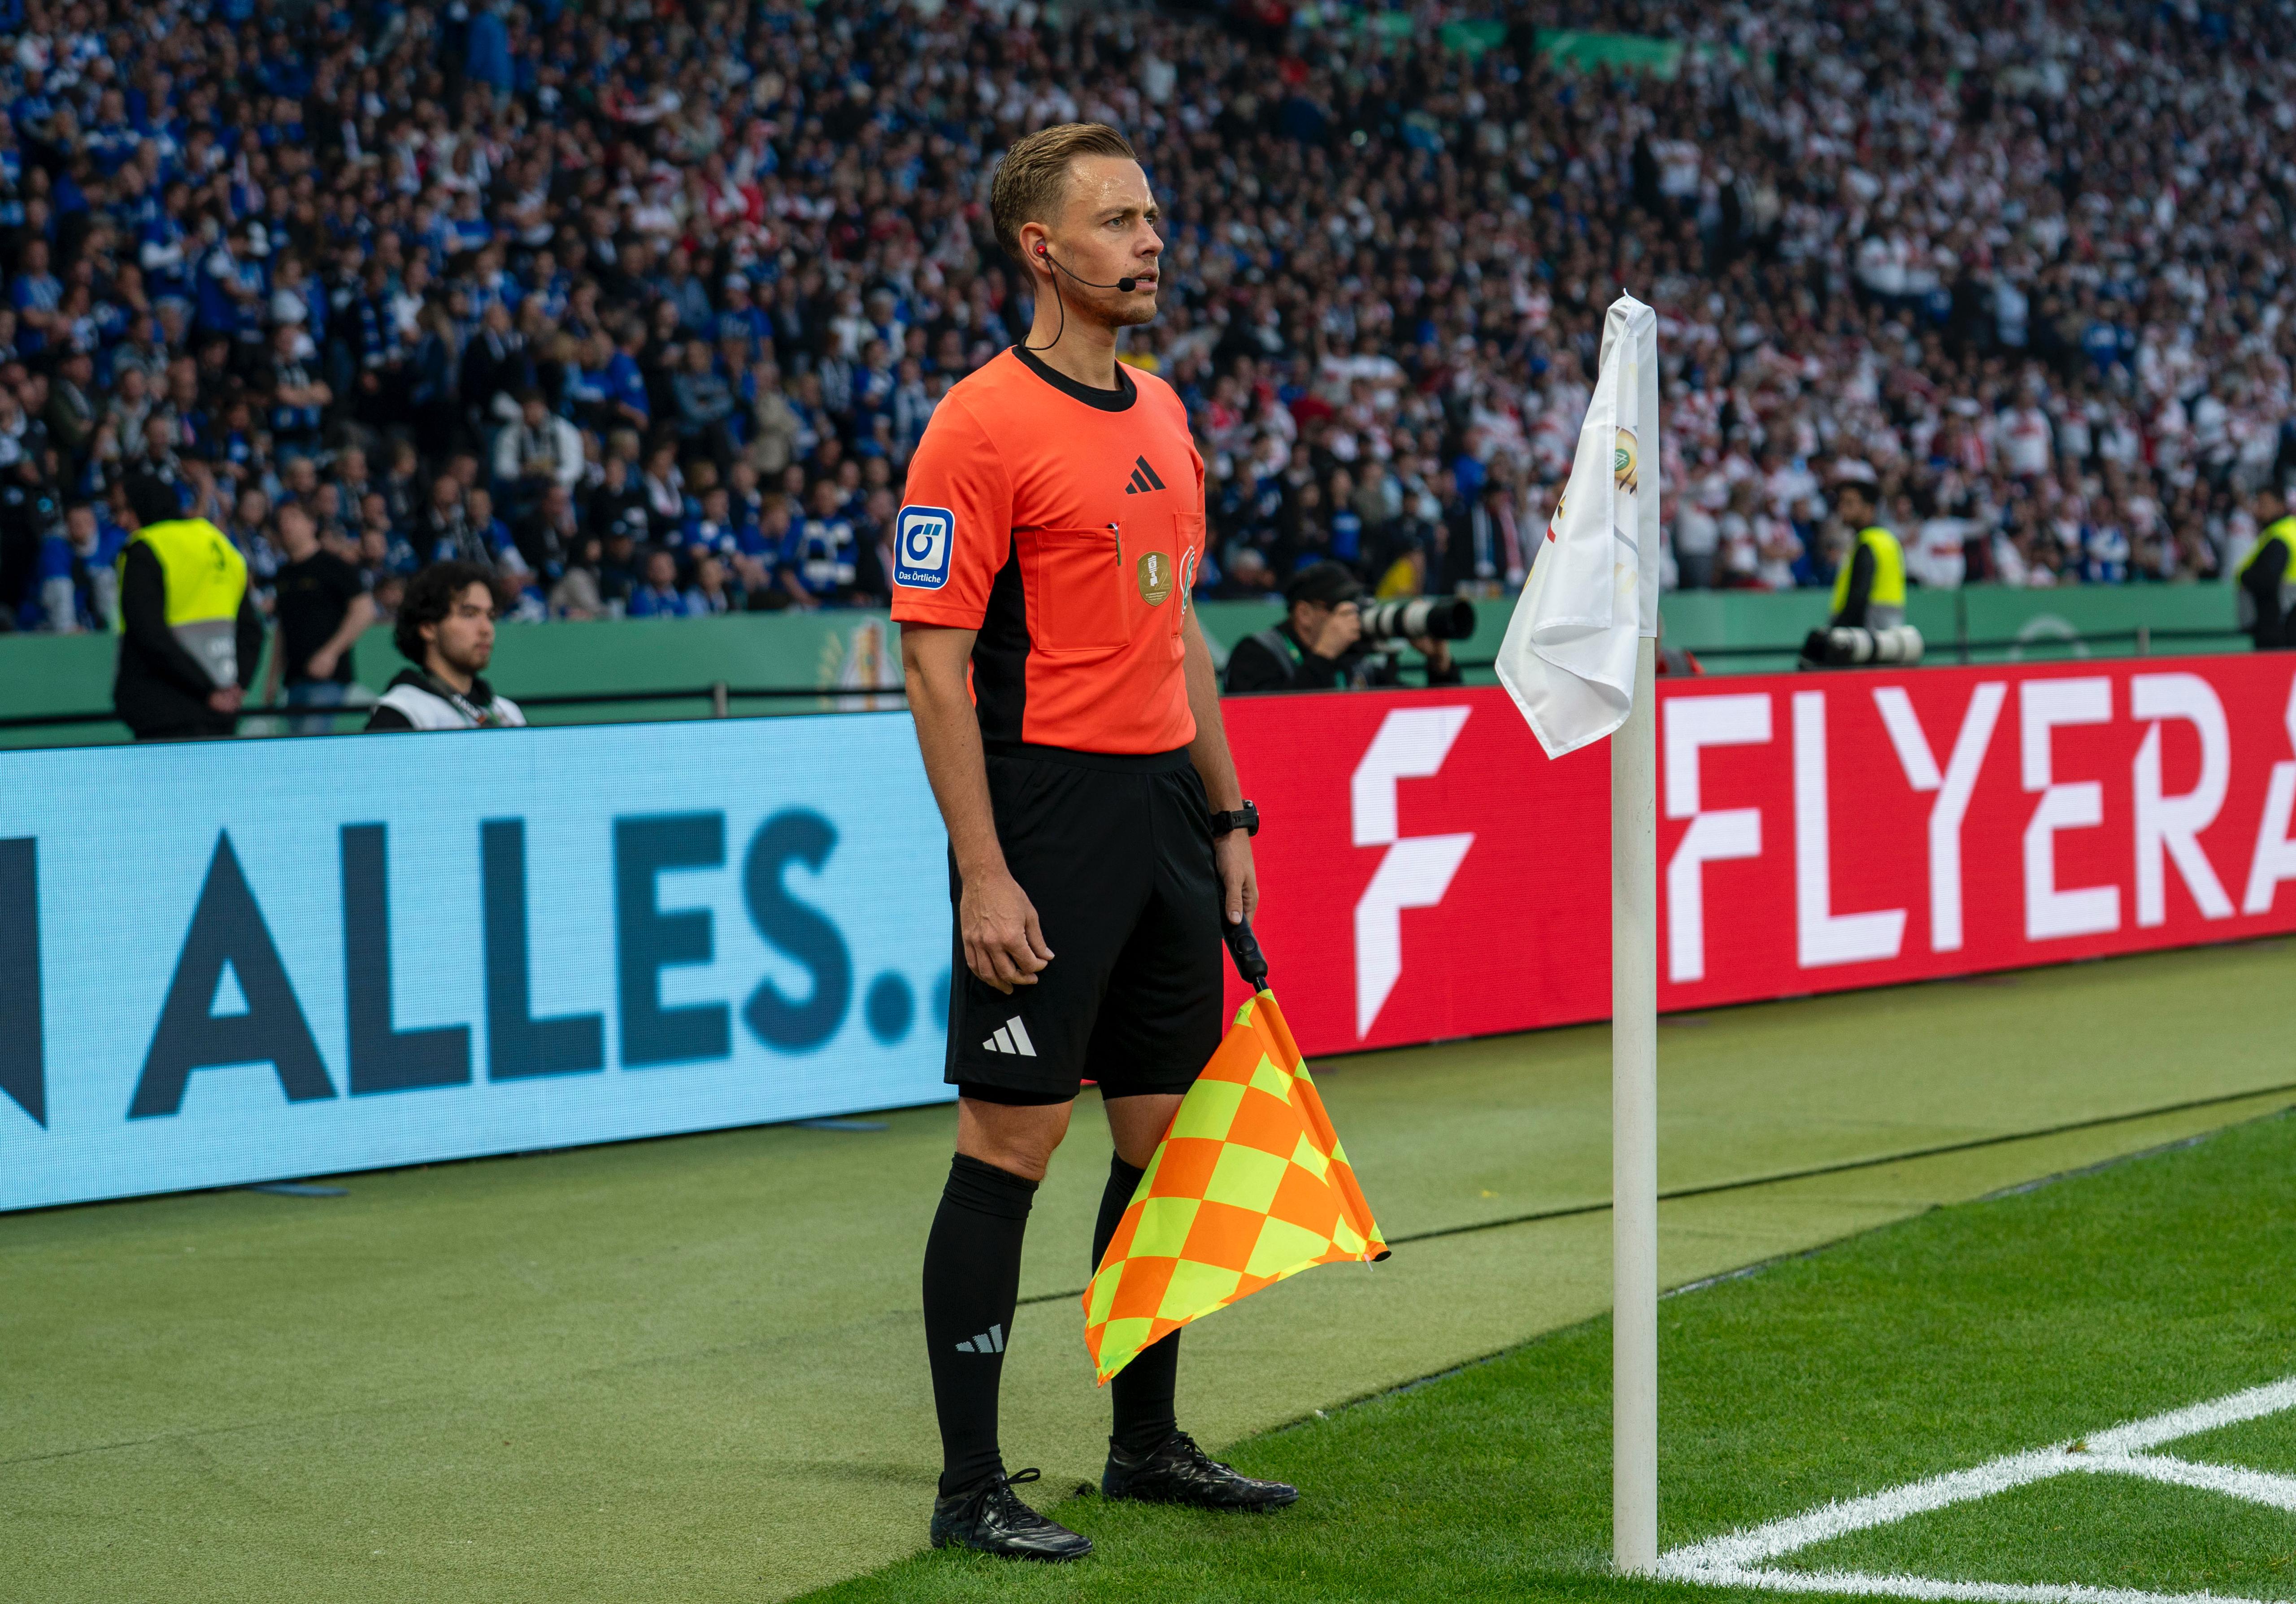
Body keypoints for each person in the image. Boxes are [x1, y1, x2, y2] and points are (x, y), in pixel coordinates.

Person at [892, 121, 1292, 1567]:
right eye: (1118, 220)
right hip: (1044, 817)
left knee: (1162, 1139)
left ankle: (1145, 1444)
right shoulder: (976, 424)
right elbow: (933, 667)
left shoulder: (1165, 410)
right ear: (1041, 249)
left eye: (1152, 215)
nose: (1151, 240)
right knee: (1012, 1139)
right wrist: (983, 870)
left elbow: (1177, 628)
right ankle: (969, 1488)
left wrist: (1225, 812)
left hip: (1163, 816)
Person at [111, 473, 264, 741]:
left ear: (143, 506)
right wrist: (235, 689)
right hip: (221, 709)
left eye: (125, 511)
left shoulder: (145, 547)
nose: (120, 521)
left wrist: (207, 692)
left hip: (163, 708)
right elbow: (252, 630)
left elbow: (149, 635)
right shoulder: (218, 542)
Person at [1222, 560, 1463, 693]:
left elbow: (1420, 720)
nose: (1355, 617)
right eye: (1343, 608)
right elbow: (1267, 725)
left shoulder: (1354, 662)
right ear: (1304, 614)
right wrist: (1324, 655)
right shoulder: (1257, 653)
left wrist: (1440, 664)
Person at [362, 562, 525, 731]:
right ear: (428, 628)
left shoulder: (509, 713)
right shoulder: (401, 711)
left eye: (490, 616)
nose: (487, 629)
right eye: (469, 615)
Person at [265, 503, 376, 734]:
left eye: (293, 518)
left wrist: (330, 653)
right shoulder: (283, 574)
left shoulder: (334, 566)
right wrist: (272, 680)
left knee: (312, 745)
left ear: (311, 525)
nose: (286, 525)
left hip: (326, 681)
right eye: (281, 521)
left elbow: (365, 610)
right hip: (293, 680)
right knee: (297, 745)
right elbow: (282, 629)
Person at [2237, 487, 2294, 650]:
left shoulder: (2279, 537)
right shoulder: (2290, 530)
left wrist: (2246, 576)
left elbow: (2267, 579)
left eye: (2264, 504)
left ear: (2280, 506)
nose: (2258, 510)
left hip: (2279, 628)